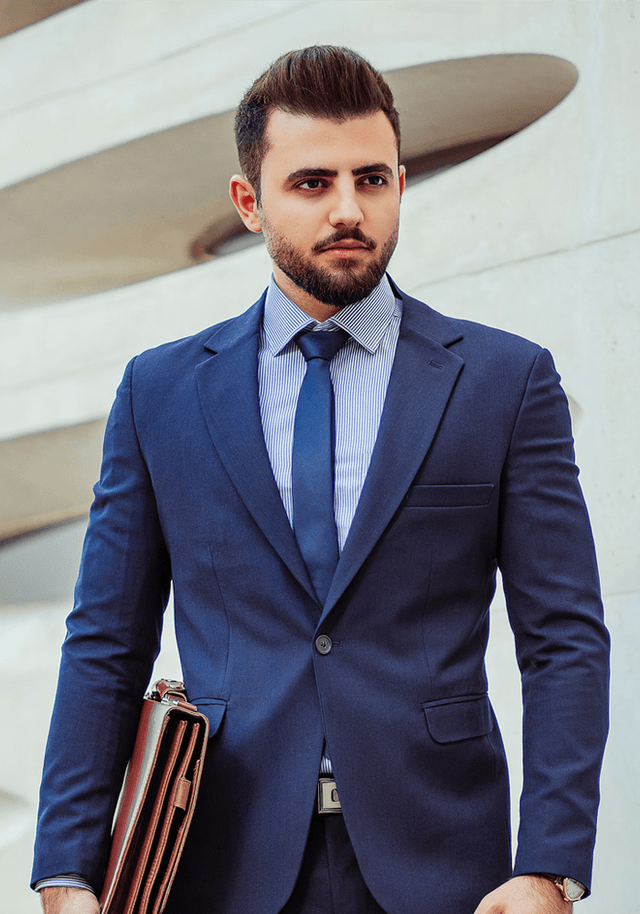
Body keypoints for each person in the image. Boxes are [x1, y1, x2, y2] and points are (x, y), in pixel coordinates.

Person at [32, 46, 609, 914]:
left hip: (449, 869)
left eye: (372, 179)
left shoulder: (503, 381)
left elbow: (564, 637)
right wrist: (66, 870)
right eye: (311, 184)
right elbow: (106, 644)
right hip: (219, 866)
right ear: (249, 203)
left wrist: (552, 866)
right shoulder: (160, 394)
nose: (349, 209)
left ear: (401, 185)